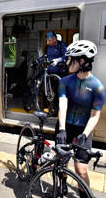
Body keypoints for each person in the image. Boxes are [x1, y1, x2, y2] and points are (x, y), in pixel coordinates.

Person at [56, 40, 106, 197]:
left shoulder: (98, 86)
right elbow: (62, 105)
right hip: (65, 127)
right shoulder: (65, 81)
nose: (67, 61)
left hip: (83, 130)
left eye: (71, 58)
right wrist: (62, 129)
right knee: (62, 162)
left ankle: (84, 195)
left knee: (81, 170)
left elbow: (95, 115)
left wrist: (84, 134)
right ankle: (62, 184)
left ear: (82, 60)